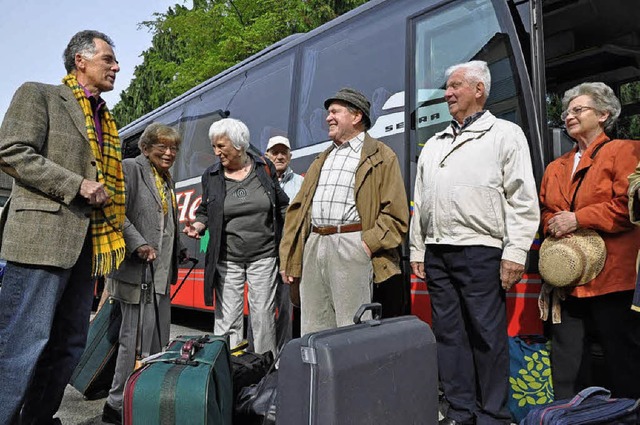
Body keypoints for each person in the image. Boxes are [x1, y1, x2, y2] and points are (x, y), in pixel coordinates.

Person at [0, 30, 125, 424]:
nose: (116, 66)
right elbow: (11, 151)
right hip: (41, 240)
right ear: (80, 60)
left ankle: (36, 419)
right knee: (21, 344)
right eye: (108, 59)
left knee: (69, 345)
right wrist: (77, 185)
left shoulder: (106, 118)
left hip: (86, 245)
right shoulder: (38, 94)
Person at [409, 60, 539, 425]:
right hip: (437, 251)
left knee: (487, 335)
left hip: (481, 249)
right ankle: (460, 411)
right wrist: (418, 249)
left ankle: (493, 414)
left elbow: (523, 199)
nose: (447, 93)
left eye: (455, 86)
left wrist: (515, 254)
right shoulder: (434, 144)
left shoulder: (505, 134)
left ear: (478, 90)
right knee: (449, 336)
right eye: (448, 87)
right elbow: (421, 201)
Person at [279, 87, 409, 335]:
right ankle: (321, 374)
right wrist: (290, 257)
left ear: (356, 116)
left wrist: (365, 245)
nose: (328, 118)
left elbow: (395, 214)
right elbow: (297, 212)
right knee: (313, 328)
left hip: (352, 244)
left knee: (352, 329)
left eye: (335, 112)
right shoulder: (322, 158)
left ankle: (352, 375)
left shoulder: (381, 155)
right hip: (315, 244)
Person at [540, 82, 640, 399]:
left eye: (578, 109)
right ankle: (568, 416)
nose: (568, 115)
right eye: (567, 111)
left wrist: (578, 218)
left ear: (603, 114)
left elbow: (629, 207)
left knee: (622, 360)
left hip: (613, 279)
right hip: (567, 280)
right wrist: (552, 224)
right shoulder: (554, 167)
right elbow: (545, 210)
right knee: (566, 362)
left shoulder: (624, 151)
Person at [102, 123, 187, 424]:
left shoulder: (166, 179)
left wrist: (178, 249)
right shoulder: (131, 168)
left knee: (156, 341)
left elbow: (165, 224)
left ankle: (143, 397)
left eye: (173, 147)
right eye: (162, 146)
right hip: (136, 271)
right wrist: (138, 243)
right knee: (133, 340)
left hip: (161, 274)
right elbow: (114, 210)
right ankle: (115, 404)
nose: (169, 152)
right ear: (147, 147)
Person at [183, 118, 288, 355]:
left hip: (264, 255)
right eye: (214, 146)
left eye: (221, 146)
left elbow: (282, 205)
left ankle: (262, 367)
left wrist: (290, 238)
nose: (216, 152)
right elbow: (205, 210)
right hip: (227, 257)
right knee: (228, 319)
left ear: (239, 145)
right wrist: (199, 226)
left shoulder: (264, 168)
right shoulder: (211, 175)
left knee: (262, 316)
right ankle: (229, 369)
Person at [264, 135, 303, 349]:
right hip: (263, 253)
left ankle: (283, 356)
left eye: (283, 152)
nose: (279, 156)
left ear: (290, 155)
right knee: (261, 308)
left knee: (287, 309)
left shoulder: (301, 183)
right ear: (266, 155)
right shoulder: (259, 179)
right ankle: (260, 355)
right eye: (274, 152)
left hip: (288, 254)